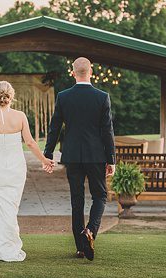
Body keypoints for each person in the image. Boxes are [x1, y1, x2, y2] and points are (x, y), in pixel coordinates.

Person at [44, 57, 116, 261]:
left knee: (77, 200)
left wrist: (48, 154)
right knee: (100, 196)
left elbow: (54, 127)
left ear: (73, 73)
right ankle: (91, 231)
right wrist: (111, 159)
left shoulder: (63, 97)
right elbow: (107, 131)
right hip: (96, 156)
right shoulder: (102, 97)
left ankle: (81, 248)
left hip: (73, 156)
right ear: (91, 72)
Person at [0, 81, 55, 262]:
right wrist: (44, 160)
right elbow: (30, 143)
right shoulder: (20, 116)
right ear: (11, 95)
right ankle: (8, 245)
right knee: (10, 207)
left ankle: (3, 245)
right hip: (15, 167)